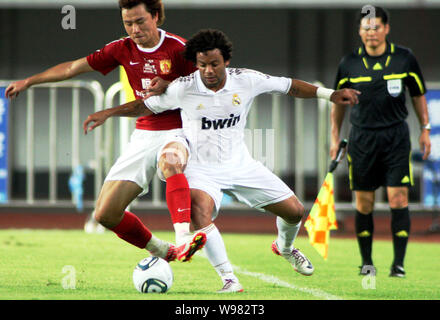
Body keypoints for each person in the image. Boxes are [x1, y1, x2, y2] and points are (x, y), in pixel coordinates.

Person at [83, 29, 360, 292]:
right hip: (201, 170)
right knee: (199, 214)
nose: (208, 71)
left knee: (295, 212)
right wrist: (108, 112)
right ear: (196, 64)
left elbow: (289, 87)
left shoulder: (247, 80)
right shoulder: (183, 88)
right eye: (202, 65)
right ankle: (229, 279)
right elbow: (145, 105)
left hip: (241, 165)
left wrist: (330, 94)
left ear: (226, 60)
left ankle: (285, 248)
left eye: (214, 64)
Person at [5, 0, 206, 262]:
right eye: (128, 23)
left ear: (156, 17)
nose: (134, 29)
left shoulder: (179, 48)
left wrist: (171, 85)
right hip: (143, 134)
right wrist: (29, 81)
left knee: (171, 162)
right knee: (105, 214)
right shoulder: (121, 49)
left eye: (140, 21)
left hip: (179, 130)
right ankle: (164, 251)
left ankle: (183, 239)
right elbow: (72, 68)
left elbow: (206, 89)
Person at [330, 6, 431, 277]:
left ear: (386, 29)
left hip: (396, 137)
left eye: (376, 27)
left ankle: (398, 264)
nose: (371, 32)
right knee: (364, 202)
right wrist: (334, 136)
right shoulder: (348, 62)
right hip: (362, 139)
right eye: (366, 28)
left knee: (398, 198)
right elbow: (337, 102)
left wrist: (425, 128)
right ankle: (367, 263)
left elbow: (419, 94)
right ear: (359, 32)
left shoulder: (404, 58)